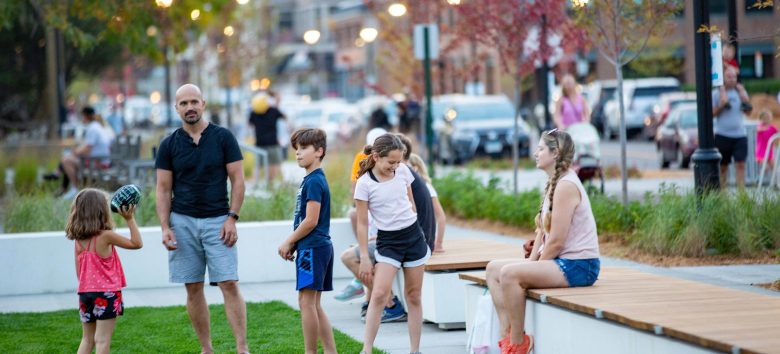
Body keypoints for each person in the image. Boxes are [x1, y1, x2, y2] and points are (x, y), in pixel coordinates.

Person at [486, 129, 600, 354]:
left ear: (555, 153)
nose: (535, 153)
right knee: (493, 270)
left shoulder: (566, 185)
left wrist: (533, 266)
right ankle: (506, 334)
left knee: (510, 274)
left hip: (579, 265)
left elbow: (557, 241)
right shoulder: (554, 182)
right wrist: (532, 259)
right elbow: (543, 231)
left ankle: (519, 344)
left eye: (540, 149)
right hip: (561, 261)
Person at [155, 84, 248, 354]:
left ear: (203, 104)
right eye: (183, 103)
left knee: (229, 283)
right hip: (181, 222)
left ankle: (242, 349)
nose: (190, 107)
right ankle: (206, 349)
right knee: (193, 286)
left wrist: (232, 217)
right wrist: (165, 227)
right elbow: (162, 189)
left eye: (194, 101)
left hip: (219, 221)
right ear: (176, 108)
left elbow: (238, 180)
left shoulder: (223, 137)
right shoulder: (169, 144)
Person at [355, 133, 430, 354]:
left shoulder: (403, 171)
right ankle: (366, 349)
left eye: (399, 161)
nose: (396, 166)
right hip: (388, 242)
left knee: (414, 295)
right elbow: (361, 224)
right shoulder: (364, 184)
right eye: (391, 162)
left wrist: (417, 226)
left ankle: (414, 350)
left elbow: (411, 203)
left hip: (413, 237)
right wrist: (365, 257)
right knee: (378, 294)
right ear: (377, 157)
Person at [277, 128, 337, 354]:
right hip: (314, 247)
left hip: (313, 248)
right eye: (296, 149)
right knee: (312, 303)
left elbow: (310, 221)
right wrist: (295, 243)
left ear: (319, 151)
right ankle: (331, 351)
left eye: (304, 148)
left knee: (306, 303)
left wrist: (287, 241)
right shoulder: (313, 179)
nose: (298, 154)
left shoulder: (313, 181)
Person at [66, 188, 143, 354]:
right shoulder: (106, 236)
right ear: (101, 211)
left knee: (87, 339)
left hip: (85, 293)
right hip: (106, 294)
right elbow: (137, 243)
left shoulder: (79, 240)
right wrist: (129, 219)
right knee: (102, 340)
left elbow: (79, 272)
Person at [335, 127, 387, 301]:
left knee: (356, 255)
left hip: (387, 237)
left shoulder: (395, 171)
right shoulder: (362, 160)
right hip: (376, 229)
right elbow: (355, 187)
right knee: (356, 215)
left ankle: (378, 298)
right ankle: (369, 294)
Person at [55, 106, 114, 199]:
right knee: (68, 158)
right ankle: (64, 182)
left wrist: (75, 152)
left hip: (97, 162)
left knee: (66, 160)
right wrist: (76, 152)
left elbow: (87, 148)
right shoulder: (97, 126)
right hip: (100, 160)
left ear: (85, 116)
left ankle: (75, 189)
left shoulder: (93, 128)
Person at [713, 66, 751, 189]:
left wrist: (745, 100)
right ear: (723, 78)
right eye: (728, 77)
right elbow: (712, 114)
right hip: (722, 135)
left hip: (740, 135)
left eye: (734, 77)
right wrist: (722, 105)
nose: (731, 79)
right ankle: (723, 196)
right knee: (723, 166)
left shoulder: (740, 92)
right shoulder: (716, 93)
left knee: (741, 164)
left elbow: (748, 112)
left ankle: (741, 196)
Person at [407, 153, 446, 253]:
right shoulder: (412, 187)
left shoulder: (426, 187)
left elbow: (441, 216)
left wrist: (439, 243)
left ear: (415, 168)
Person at [248, 92, 286, 183]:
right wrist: (276, 104)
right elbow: (284, 117)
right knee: (275, 163)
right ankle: (270, 182)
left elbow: (249, 124)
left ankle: (255, 183)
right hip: (273, 142)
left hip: (259, 143)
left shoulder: (254, 112)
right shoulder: (273, 110)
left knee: (258, 165)